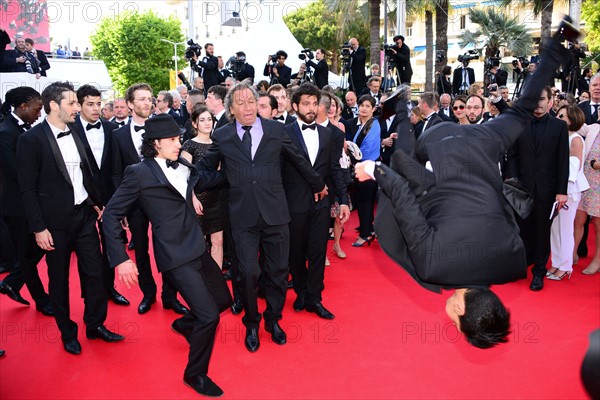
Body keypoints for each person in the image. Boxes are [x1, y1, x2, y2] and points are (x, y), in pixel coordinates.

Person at [354, 32, 571, 348]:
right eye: (457, 326)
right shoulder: (434, 266)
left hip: (485, 143)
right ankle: (401, 107)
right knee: (402, 160)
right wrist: (373, 169)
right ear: (460, 310)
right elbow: (401, 197)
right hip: (439, 146)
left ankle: (553, 51)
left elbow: (512, 214)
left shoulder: (512, 265)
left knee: (523, 110)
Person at [103, 114, 231, 398]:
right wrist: (121, 258)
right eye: (173, 140)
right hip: (175, 255)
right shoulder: (138, 172)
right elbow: (110, 215)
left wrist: (242, 170)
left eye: (179, 138)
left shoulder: (183, 163)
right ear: (156, 144)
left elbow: (209, 177)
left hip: (198, 247)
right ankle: (194, 374)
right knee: (210, 317)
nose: (179, 143)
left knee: (224, 300)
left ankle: (184, 324)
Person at [197, 83, 327, 353]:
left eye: (251, 101)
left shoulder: (276, 130)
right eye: (241, 103)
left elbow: (299, 160)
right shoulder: (222, 136)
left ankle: (273, 319)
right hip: (242, 216)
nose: (247, 107)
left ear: (258, 104)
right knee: (248, 272)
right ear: (231, 108)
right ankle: (252, 323)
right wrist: (189, 184)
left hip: (276, 213)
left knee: (278, 271)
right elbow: (206, 169)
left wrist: (318, 184)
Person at [17, 81, 124, 354]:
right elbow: (27, 189)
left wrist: (97, 202)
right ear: (54, 106)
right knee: (60, 279)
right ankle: (67, 332)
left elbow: (85, 173)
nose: (78, 108)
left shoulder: (76, 132)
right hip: (53, 224)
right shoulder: (31, 140)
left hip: (84, 215)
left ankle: (95, 324)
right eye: (73, 103)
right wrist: (38, 228)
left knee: (96, 272)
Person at [112, 83, 189, 315]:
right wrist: (122, 208)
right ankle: (148, 293)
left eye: (150, 98)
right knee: (142, 250)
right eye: (142, 99)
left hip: (164, 200)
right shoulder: (117, 135)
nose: (147, 103)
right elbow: (115, 172)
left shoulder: (167, 127)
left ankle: (170, 295)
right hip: (134, 204)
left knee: (167, 247)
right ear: (130, 104)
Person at [283, 83, 350, 320]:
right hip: (294, 203)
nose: (311, 108)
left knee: (318, 252)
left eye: (314, 103)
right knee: (297, 252)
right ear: (295, 106)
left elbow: (334, 169)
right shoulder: (284, 132)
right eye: (306, 103)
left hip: (321, 204)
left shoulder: (329, 134)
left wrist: (343, 200)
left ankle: (315, 298)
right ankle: (301, 292)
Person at [506, 85, 569, 291]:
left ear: (550, 100)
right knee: (523, 229)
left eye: (541, 99)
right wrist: (514, 181)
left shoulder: (559, 127)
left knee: (543, 231)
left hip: (548, 189)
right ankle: (524, 263)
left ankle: (539, 271)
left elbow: (563, 161)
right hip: (522, 190)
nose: (538, 104)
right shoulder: (519, 124)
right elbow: (512, 156)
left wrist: (561, 191)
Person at [73, 84, 129, 305]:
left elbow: (115, 169)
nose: (96, 109)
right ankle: (90, 293)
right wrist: (90, 200)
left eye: (98, 104)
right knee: (87, 251)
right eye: (90, 104)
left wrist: (117, 203)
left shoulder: (109, 128)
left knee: (110, 246)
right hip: (83, 201)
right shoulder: (71, 129)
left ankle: (109, 288)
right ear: (79, 105)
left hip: (108, 199)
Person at [0, 87, 52, 315]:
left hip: (31, 201)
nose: (39, 114)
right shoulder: (5, 132)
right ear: (23, 106)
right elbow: (17, 171)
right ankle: (42, 301)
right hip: (17, 206)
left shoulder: (23, 128)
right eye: (37, 109)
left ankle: (12, 281)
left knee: (38, 249)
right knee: (28, 255)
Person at [548, 105, 589, 280]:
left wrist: (562, 190)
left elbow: (574, 167)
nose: (557, 118)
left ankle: (565, 266)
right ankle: (557, 263)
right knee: (555, 229)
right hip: (559, 189)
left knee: (565, 228)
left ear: (570, 120)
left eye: (561, 116)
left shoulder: (576, 139)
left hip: (569, 191)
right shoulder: (562, 137)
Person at [181, 105, 225, 269]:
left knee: (218, 241)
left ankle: (217, 281)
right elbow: (185, 175)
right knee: (198, 243)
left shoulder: (219, 144)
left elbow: (221, 172)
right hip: (197, 199)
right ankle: (200, 282)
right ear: (194, 124)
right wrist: (192, 198)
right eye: (202, 120)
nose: (207, 123)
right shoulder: (189, 145)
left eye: (209, 119)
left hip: (217, 198)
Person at [346, 95, 381, 246]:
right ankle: (368, 228)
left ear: (373, 109)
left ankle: (365, 234)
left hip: (369, 167)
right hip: (358, 167)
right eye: (362, 105)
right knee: (362, 200)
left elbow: (368, 149)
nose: (364, 108)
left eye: (368, 106)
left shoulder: (376, 125)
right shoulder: (355, 124)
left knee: (366, 201)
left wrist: (357, 160)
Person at [573, 122, 600, 275]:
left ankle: (597, 260)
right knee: (579, 219)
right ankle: (573, 253)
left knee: (598, 223)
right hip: (585, 182)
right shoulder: (594, 128)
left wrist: (597, 165)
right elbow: (577, 122)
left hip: (599, 185)